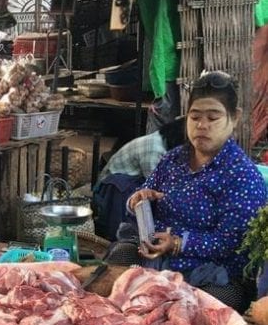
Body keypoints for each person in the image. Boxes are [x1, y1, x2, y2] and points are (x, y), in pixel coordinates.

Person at [108, 70, 268, 310]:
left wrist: (177, 244)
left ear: (234, 118)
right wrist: (139, 200)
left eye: (213, 118)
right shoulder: (172, 160)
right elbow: (144, 194)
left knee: (202, 307)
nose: (202, 126)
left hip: (212, 272)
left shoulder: (242, 176)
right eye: (195, 117)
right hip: (155, 257)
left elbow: (231, 242)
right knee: (118, 262)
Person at [93, 117, 185, 240]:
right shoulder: (154, 149)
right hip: (113, 187)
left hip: (133, 179)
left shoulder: (162, 141)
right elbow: (158, 186)